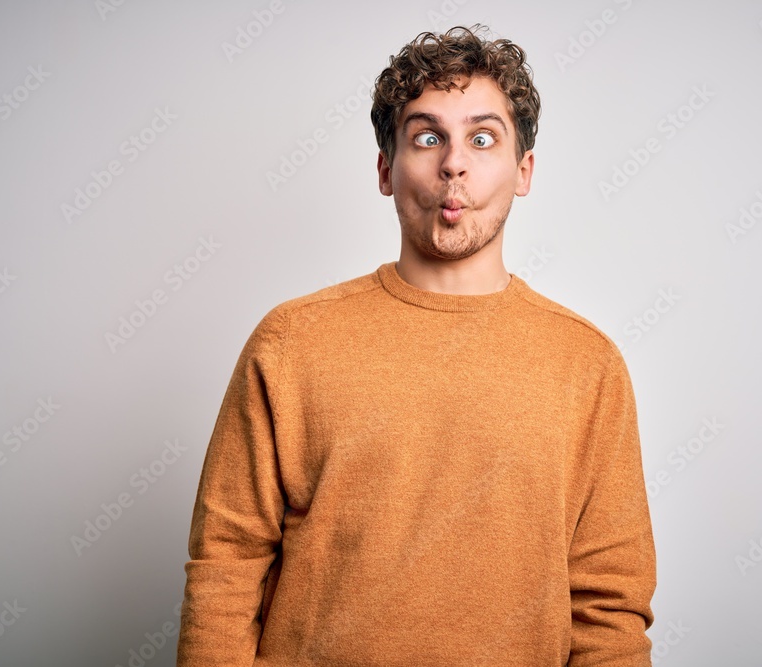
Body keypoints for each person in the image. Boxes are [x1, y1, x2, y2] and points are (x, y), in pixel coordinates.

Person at [176, 24, 656, 666]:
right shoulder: (290, 343)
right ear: (386, 169)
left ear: (523, 171)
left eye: (482, 138)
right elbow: (226, 567)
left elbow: (610, 606)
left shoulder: (587, 364)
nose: (453, 162)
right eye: (428, 137)